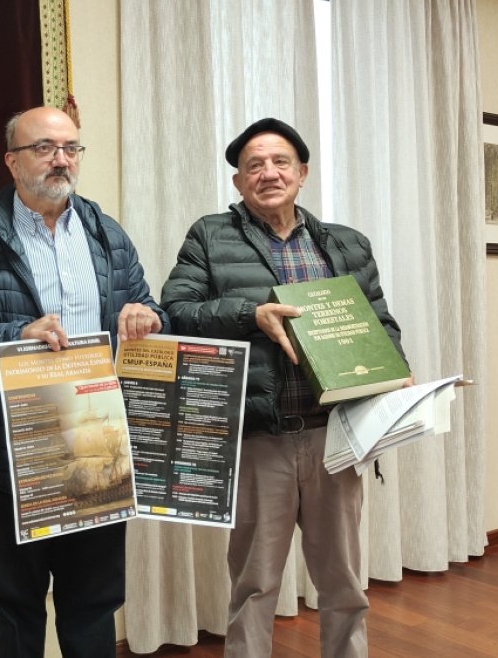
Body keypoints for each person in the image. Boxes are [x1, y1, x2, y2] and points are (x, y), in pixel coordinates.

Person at [160, 118, 410, 658]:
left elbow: (379, 321)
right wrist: (253, 314)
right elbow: (177, 311)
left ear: (302, 173)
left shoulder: (345, 243)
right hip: (259, 437)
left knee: (343, 581)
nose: (268, 173)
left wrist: (394, 369)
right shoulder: (209, 235)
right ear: (238, 182)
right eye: (254, 165)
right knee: (254, 584)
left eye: (279, 163)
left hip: (333, 437)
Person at [0, 106, 169, 658]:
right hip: (13, 454)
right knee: (18, 606)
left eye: (71, 148)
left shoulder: (107, 234)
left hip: (99, 444)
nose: (60, 159)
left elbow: (149, 306)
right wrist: (18, 335)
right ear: (12, 161)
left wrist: (145, 317)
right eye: (43, 148)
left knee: (93, 602)